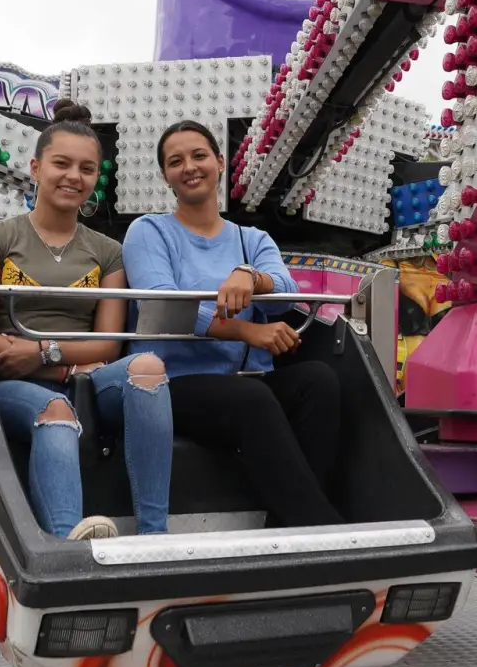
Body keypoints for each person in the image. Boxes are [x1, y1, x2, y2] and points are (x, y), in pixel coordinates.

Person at [0, 100, 174, 540]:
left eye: (87, 169)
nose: (74, 177)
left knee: (148, 368)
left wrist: (47, 355)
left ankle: (155, 534)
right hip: (11, 386)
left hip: (75, 373)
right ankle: (67, 544)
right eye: (61, 164)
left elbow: (109, 344)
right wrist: (58, 366)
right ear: (36, 167)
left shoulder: (107, 251)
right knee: (54, 409)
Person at [123, 120, 345, 528]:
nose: (189, 167)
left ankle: (286, 526)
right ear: (165, 176)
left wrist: (251, 276)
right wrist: (247, 330)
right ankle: (323, 528)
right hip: (175, 383)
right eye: (176, 161)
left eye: (199, 155)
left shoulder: (252, 239)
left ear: (220, 162)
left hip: (244, 379)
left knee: (319, 381)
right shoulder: (149, 231)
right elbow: (162, 305)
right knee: (251, 400)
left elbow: (286, 292)